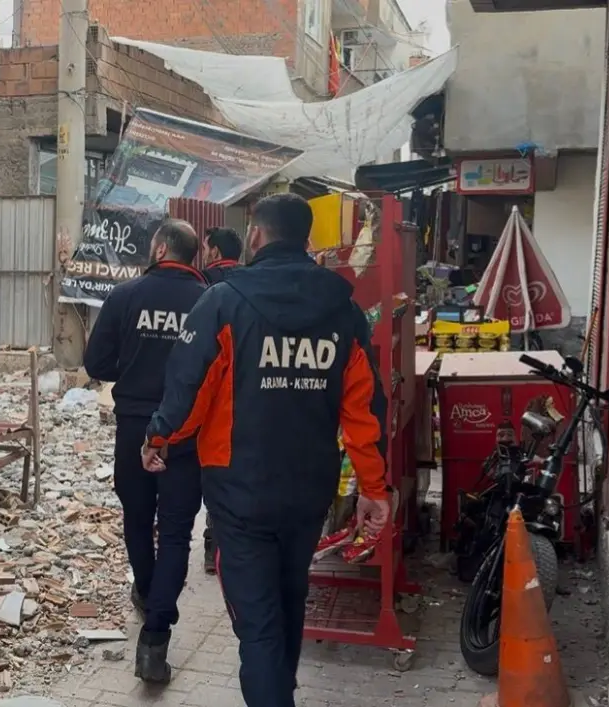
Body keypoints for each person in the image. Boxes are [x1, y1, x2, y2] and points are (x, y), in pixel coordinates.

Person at [140, 193, 391, 707]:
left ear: (255, 234)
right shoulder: (342, 313)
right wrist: (373, 487)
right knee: (289, 598)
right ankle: (282, 688)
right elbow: (364, 411)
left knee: (257, 625)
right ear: (307, 240)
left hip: (240, 494)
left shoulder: (224, 303)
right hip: (308, 489)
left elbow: (188, 392)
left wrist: (160, 437)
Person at [83, 219, 208, 685]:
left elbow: (95, 363)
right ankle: (155, 637)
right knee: (176, 532)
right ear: (192, 255)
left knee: (137, 517)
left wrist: (133, 369)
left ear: (158, 247)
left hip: (134, 425)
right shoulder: (208, 301)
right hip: (186, 433)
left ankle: (148, 590)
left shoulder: (124, 296)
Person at [197, 226, 244, 574]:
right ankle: (230, 538)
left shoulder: (203, 283)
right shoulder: (252, 283)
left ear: (214, 252)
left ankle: (213, 541)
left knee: (211, 462)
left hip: (208, 390)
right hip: (246, 390)